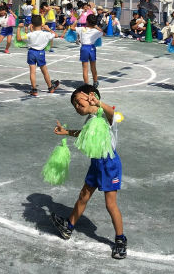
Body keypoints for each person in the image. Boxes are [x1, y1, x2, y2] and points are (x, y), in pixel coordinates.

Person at [50, 84, 127, 260]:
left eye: (78, 102)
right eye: (74, 105)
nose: (77, 107)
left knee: (110, 204)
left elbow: (113, 114)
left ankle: (121, 240)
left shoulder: (105, 115)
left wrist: (99, 103)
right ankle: (69, 227)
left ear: (91, 96)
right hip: (96, 163)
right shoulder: (90, 119)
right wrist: (66, 132)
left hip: (109, 164)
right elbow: (83, 134)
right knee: (83, 196)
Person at [16, 16, 60, 96]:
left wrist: (19, 28)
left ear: (32, 25)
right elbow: (56, 35)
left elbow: (18, 38)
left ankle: (34, 89)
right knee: (45, 72)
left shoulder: (30, 34)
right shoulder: (45, 34)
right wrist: (48, 29)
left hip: (31, 52)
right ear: (41, 24)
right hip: (41, 53)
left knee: (32, 72)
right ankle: (50, 87)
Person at [71, 14, 102, 87]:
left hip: (84, 48)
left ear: (86, 21)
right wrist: (95, 26)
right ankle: (95, 82)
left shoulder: (82, 29)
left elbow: (72, 28)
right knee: (93, 67)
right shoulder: (95, 31)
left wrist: (76, 21)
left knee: (85, 68)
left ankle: (86, 84)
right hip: (92, 48)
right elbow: (102, 32)